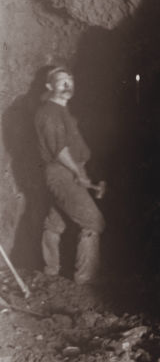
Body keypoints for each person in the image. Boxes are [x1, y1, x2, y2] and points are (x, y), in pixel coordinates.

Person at [34, 66, 104, 284]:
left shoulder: (63, 112)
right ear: (49, 86)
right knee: (93, 221)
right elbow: (59, 149)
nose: (67, 85)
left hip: (68, 172)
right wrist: (77, 171)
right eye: (61, 81)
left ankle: (51, 272)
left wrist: (79, 170)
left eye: (70, 81)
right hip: (62, 173)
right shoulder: (50, 112)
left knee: (56, 222)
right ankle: (85, 280)